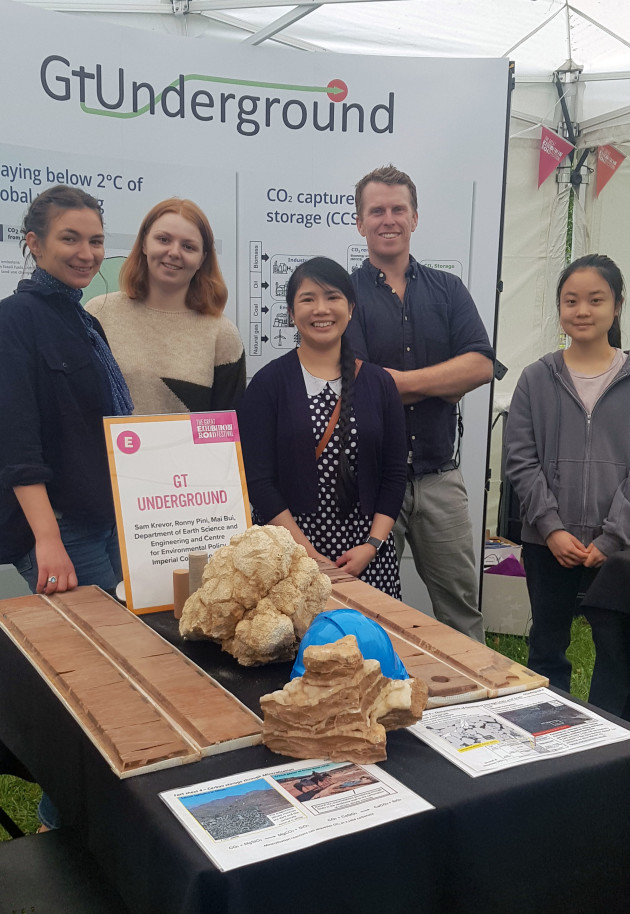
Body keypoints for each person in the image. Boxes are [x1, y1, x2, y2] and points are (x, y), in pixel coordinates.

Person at [0, 184, 133, 831]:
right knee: (90, 685)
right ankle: (64, 826)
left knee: (109, 674)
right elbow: (17, 440)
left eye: (95, 240)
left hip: (102, 522)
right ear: (34, 243)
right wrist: (45, 539)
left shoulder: (86, 321)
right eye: (70, 239)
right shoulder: (13, 321)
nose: (86, 253)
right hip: (58, 530)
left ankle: (87, 814)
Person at [345, 165, 494, 642]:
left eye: (397, 209)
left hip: (439, 477)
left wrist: (404, 381)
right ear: (359, 221)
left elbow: (480, 366)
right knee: (369, 612)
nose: (388, 219)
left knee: (461, 612)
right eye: (376, 210)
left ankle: (481, 709)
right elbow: (360, 382)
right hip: (370, 484)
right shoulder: (342, 296)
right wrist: (442, 381)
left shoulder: (448, 290)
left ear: (414, 218)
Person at [238, 256, 407, 598]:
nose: (321, 309)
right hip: (288, 555)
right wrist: (308, 555)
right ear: (290, 312)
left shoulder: (379, 384)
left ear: (350, 308)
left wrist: (372, 544)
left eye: (332, 297)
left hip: (366, 557)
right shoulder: (268, 384)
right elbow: (258, 480)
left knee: (370, 646)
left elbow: (394, 473)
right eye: (307, 298)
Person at [505, 254, 630, 702]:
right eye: (571, 300)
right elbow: (520, 459)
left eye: (596, 300)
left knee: (617, 651)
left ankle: (609, 742)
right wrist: (551, 528)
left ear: (616, 305)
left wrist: (613, 538)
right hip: (547, 546)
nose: (582, 311)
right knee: (546, 647)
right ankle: (549, 733)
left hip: (619, 552)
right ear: (559, 308)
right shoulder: (537, 379)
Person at [87, 198, 245, 414]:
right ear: (144, 243)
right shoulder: (99, 313)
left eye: (188, 246)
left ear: (202, 259)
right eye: (163, 239)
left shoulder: (222, 334)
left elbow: (228, 431)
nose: (174, 252)